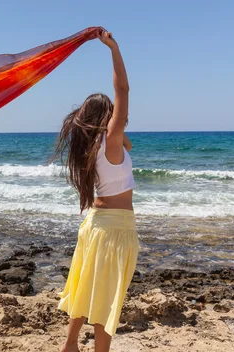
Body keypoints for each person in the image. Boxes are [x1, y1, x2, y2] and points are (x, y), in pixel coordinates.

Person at [53, 29, 138, 352]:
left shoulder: (92, 148)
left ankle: (70, 344)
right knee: (107, 296)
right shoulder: (110, 142)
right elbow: (123, 89)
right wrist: (113, 48)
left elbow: (126, 137)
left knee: (87, 286)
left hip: (95, 225)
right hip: (114, 229)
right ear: (107, 119)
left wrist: (106, 123)